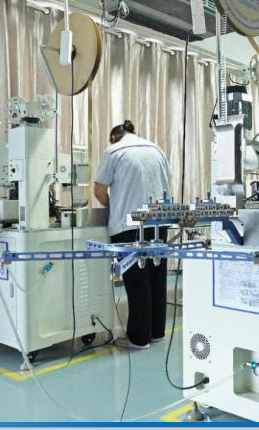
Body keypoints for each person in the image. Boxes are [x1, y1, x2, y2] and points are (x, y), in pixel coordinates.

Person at [94, 120, 173, 349]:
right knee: (156, 276)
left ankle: (138, 338)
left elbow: (99, 191)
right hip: (159, 221)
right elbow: (167, 181)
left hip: (129, 225)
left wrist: (114, 208)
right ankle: (156, 332)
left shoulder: (114, 151)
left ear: (113, 137)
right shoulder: (156, 149)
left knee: (136, 280)